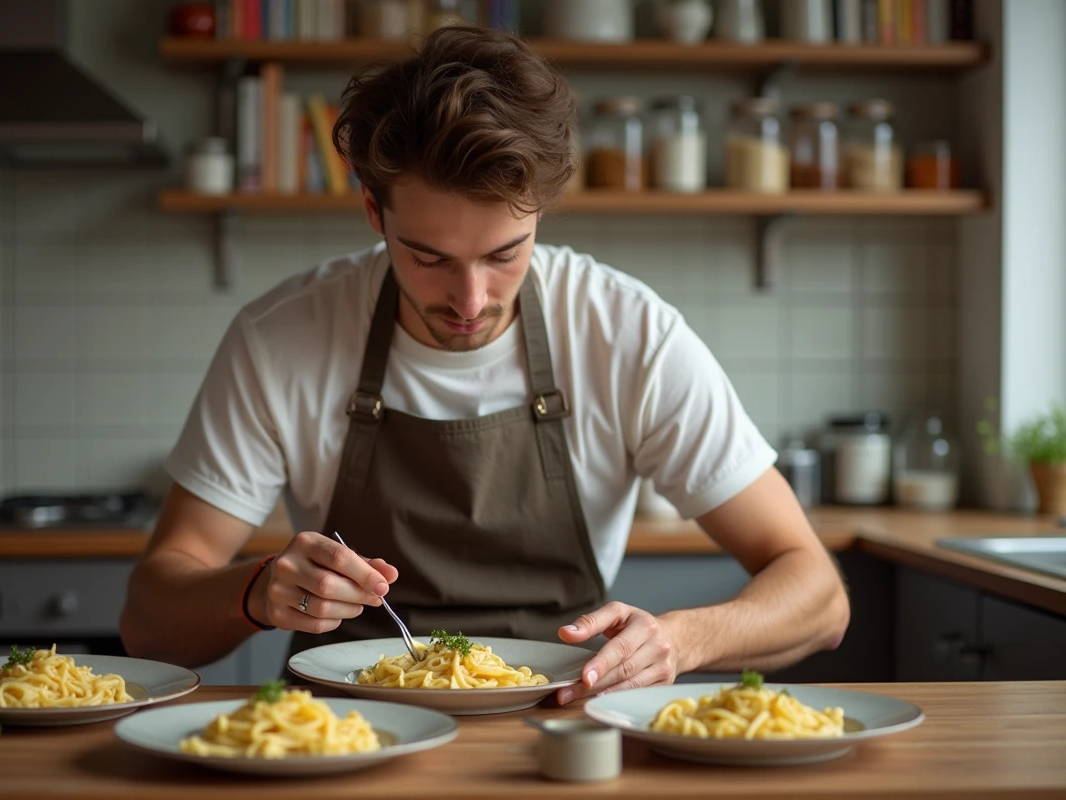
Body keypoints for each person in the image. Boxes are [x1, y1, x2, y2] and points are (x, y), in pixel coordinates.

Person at [120, 26, 849, 703]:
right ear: (374, 212)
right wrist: (255, 590)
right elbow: (149, 621)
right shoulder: (280, 339)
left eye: (505, 254)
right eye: (428, 256)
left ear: (541, 210)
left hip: (563, 728)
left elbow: (818, 595)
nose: (469, 299)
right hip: (344, 736)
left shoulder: (627, 331)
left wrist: (682, 641)